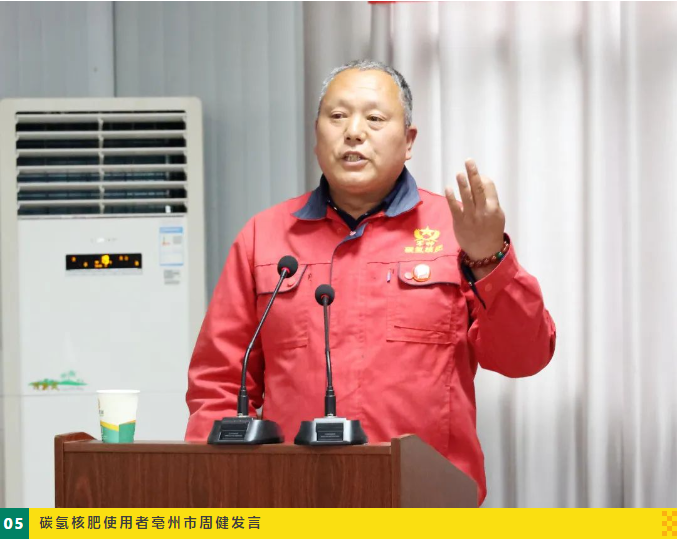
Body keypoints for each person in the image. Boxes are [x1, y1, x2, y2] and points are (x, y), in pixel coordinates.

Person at [185, 59, 556, 506]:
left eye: (375, 118)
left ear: (409, 141)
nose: (354, 132)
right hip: (296, 502)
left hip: (428, 505)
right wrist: (216, 489)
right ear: (316, 135)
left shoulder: (455, 231)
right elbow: (219, 382)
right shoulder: (264, 238)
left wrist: (488, 258)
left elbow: (523, 358)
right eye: (337, 116)